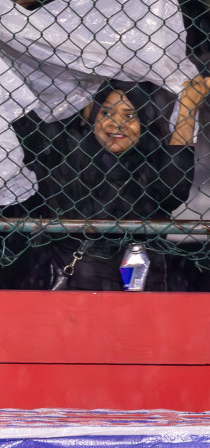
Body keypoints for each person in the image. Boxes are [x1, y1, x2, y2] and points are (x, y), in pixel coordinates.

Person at [16, 79, 204, 290]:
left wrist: (187, 107)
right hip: (76, 284)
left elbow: (175, 190)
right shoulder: (67, 151)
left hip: (142, 284)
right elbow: (31, 124)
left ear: (145, 121)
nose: (116, 123)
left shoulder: (152, 160)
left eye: (129, 115)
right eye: (105, 113)